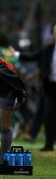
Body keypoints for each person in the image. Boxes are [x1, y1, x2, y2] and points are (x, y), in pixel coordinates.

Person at [40, 23, 56, 151]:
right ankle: (49, 144)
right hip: (51, 87)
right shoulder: (48, 49)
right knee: (48, 116)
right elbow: (37, 58)